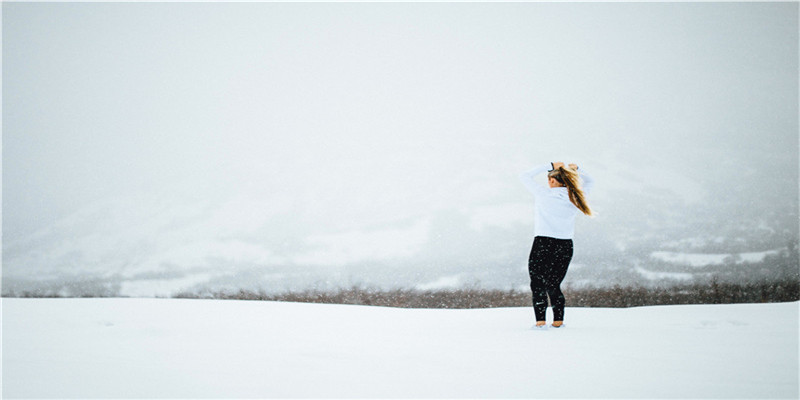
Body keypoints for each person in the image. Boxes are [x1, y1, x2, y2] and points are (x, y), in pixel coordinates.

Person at [519, 161, 594, 329]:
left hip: (543, 243)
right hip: (565, 245)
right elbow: (591, 181)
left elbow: (524, 176)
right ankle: (558, 321)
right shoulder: (575, 197)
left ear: (552, 181)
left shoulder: (543, 194)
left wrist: (550, 164)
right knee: (553, 284)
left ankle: (540, 322)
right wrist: (577, 169)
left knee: (538, 283)